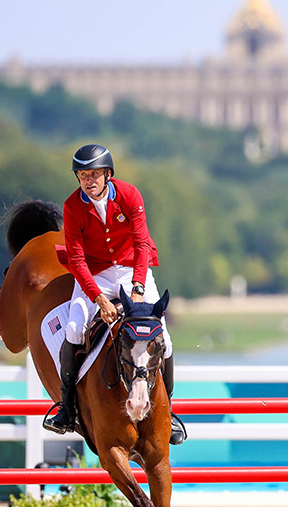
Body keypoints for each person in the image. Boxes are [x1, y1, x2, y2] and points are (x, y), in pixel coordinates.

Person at [44, 144, 185, 443]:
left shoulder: (129, 195)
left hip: (133, 267)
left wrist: (137, 287)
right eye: (83, 175)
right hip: (93, 273)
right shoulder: (72, 207)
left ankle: (168, 411)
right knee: (72, 330)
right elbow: (78, 260)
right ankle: (66, 408)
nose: (89, 180)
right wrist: (98, 298)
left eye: (94, 174)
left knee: (166, 341)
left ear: (108, 174)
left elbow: (142, 243)